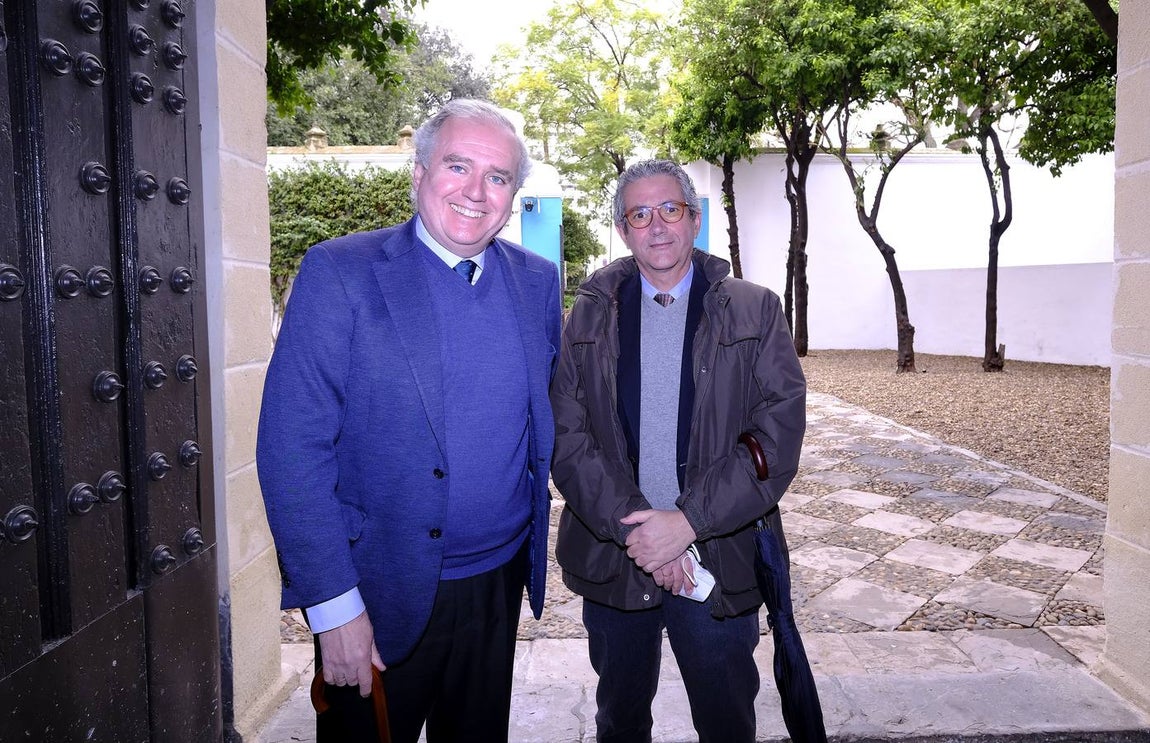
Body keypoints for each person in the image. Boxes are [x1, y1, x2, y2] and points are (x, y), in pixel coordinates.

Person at [257, 99, 560, 742]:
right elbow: (291, 447)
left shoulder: (538, 281)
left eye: (498, 176)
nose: (476, 192)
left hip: (496, 584)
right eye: (457, 165)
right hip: (375, 593)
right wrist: (334, 609)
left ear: (514, 193)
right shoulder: (340, 271)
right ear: (419, 172)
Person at [550, 159, 806, 742]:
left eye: (671, 209)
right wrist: (642, 533)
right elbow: (567, 434)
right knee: (619, 718)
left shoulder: (754, 308)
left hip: (718, 554)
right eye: (640, 214)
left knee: (726, 720)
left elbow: (777, 433)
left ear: (694, 220)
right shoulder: (587, 314)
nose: (657, 225)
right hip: (616, 556)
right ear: (623, 229)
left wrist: (687, 523)